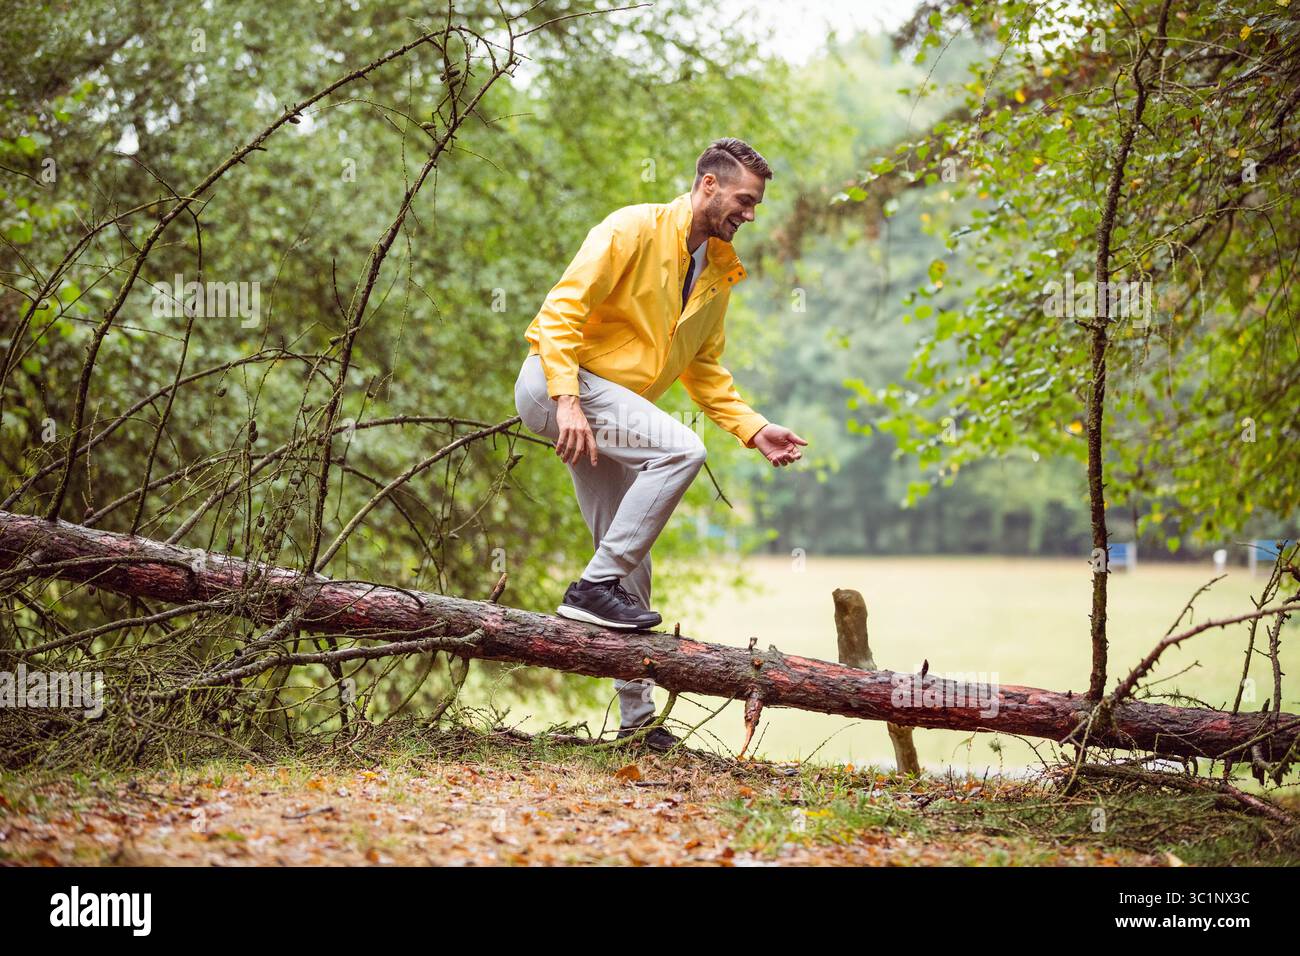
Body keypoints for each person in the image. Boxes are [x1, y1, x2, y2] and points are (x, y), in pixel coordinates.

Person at [513, 138, 807, 749]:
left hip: (606, 407)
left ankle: (637, 722)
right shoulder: (632, 228)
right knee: (681, 450)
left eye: (756, 204)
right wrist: (566, 400)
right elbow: (560, 313)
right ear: (708, 185)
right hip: (558, 384)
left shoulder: (718, 269)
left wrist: (754, 428)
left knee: (629, 560)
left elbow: (703, 366)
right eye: (744, 200)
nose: (750, 214)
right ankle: (590, 589)